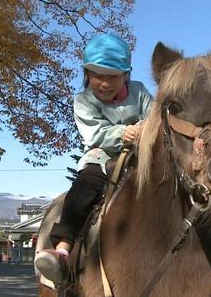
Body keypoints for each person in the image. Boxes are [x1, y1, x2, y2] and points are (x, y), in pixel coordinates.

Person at [34, 33, 153, 283]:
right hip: (102, 158)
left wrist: (146, 128)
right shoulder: (83, 100)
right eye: (97, 74)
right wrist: (125, 133)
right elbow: (95, 133)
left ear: (126, 75)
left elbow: (154, 117)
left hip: (141, 158)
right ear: (86, 73)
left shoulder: (140, 92)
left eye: (113, 76)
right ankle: (63, 248)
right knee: (85, 184)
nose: (104, 83)